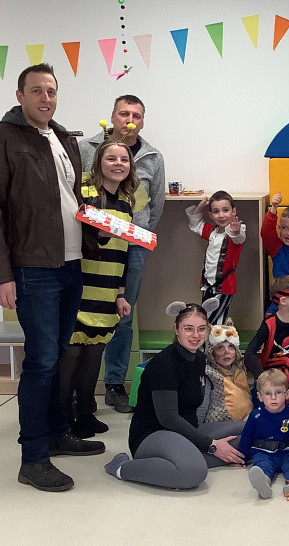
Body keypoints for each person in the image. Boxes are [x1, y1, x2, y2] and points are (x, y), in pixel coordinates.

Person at [1, 63, 105, 492]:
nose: (46, 98)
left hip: (71, 262)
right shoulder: (5, 138)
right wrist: (4, 273)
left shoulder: (64, 138)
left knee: (60, 353)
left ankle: (58, 433)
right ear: (21, 95)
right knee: (42, 362)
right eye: (38, 91)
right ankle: (33, 457)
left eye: (52, 91)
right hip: (33, 267)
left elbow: (74, 196)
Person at [79, 94, 165, 415]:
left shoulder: (153, 157)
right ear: (112, 117)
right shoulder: (87, 149)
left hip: (132, 247)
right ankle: (80, 390)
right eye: (123, 114)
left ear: (143, 121)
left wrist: (135, 233)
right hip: (91, 247)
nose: (129, 120)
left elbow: (155, 206)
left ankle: (114, 383)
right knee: (83, 312)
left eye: (137, 116)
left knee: (123, 312)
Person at [103, 302, 246, 490]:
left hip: (186, 431)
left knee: (251, 431)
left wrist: (209, 441)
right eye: (188, 329)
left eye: (201, 329)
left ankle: (186, 458)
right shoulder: (164, 365)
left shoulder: (199, 359)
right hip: (153, 434)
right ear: (177, 329)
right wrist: (211, 445)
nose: (195, 335)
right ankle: (122, 467)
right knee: (193, 473)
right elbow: (168, 418)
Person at [59, 140, 139, 439]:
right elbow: (74, 233)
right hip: (81, 284)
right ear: (99, 162)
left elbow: (124, 253)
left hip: (108, 289)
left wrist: (120, 293)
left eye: (124, 159)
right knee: (72, 356)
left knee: (94, 357)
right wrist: (95, 230)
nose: (118, 163)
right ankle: (64, 419)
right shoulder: (86, 194)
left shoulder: (127, 203)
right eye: (111, 158)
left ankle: (85, 413)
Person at [244, 276, 289, 417]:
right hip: (274, 368)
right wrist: (263, 377)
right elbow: (250, 353)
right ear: (283, 301)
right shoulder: (269, 323)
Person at [239, 369, 289, 500]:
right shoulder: (255, 415)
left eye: (278, 392)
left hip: (288, 452)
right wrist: (242, 457)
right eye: (268, 394)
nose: (273, 397)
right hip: (263, 452)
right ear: (260, 397)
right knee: (262, 466)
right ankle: (263, 484)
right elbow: (246, 437)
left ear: (287, 394)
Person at [186, 191, 246, 325]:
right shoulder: (211, 231)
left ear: (233, 211)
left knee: (207, 320)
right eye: (216, 211)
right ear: (211, 215)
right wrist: (200, 206)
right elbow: (195, 224)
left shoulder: (236, 231)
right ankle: (214, 344)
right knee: (215, 321)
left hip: (224, 286)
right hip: (207, 284)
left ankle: (206, 344)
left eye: (225, 210)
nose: (221, 215)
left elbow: (239, 238)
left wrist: (236, 231)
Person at [197, 318, 253, 426]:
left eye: (231, 347)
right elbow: (202, 408)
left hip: (247, 419)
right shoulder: (208, 374)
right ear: (211, 353)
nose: (227, 352)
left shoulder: (239, 370)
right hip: (221, 423)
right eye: (220, 348)